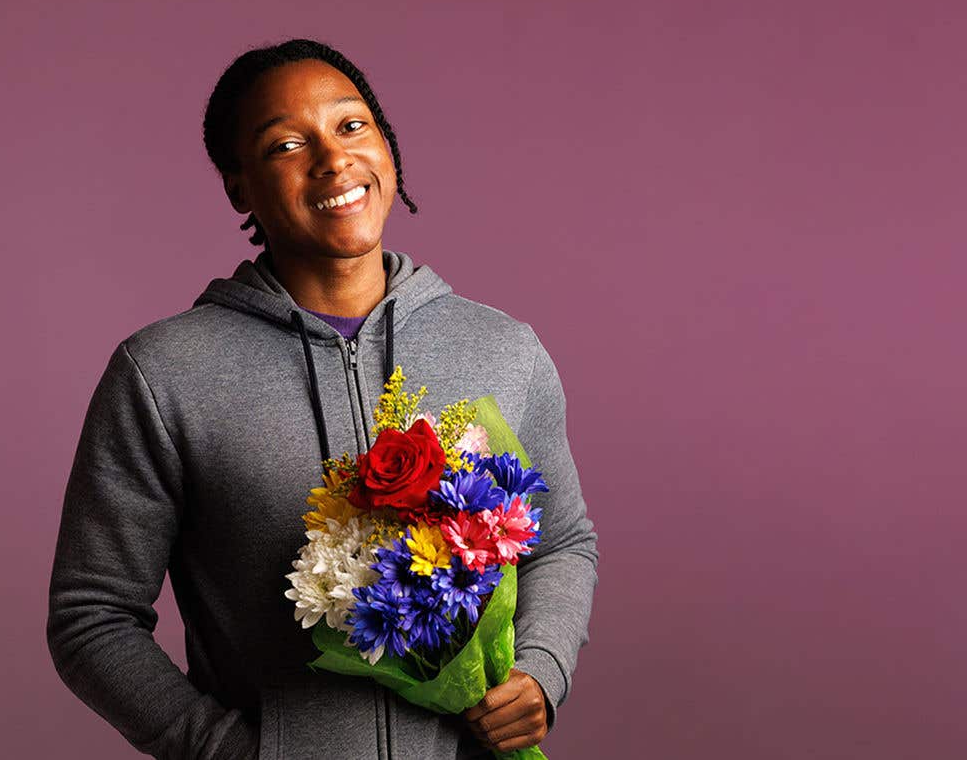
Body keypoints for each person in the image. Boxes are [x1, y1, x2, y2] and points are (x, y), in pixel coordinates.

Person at [45, 38, 598, 759]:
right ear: (238, 186)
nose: (333, 160)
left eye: (351, 125)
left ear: (387, 146)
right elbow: (92, 615)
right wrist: (230, 750)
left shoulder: (503, 348)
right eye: (285, 145)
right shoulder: (164, 372)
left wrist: (541, 670)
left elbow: (561, 541)